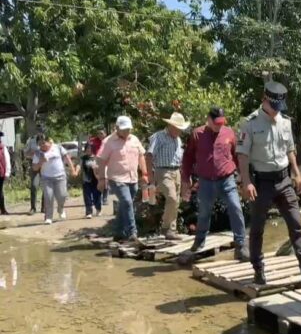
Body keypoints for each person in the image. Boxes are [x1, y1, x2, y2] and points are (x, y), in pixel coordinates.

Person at [236, 81, 301, 285]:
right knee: (257, 229)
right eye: (274, 107)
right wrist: (246, 182)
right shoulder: (250, 123)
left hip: (284, 180)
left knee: (296, 224)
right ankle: (258, 270)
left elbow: (290, 150)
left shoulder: (285, 122)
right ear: (264, 99)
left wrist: (297, 174)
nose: (276, 112)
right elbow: (243, 155)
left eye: (279, 108)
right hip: (261, 182)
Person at [180, 107, 249, 262]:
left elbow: (236, 156)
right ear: (209, 120)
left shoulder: (229, 133)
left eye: (221, 123)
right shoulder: (197, 134)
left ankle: (240, 246)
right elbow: (188, 157)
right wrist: (186, 178)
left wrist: (244, 178)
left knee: (235, 207)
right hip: (205, 182)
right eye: (216, 123)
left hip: (227, 179)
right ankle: (199, 242)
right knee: (204, 213)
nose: (219, 126)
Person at [96, 116, 148, 243]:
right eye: (124, 129)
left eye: (128, 129)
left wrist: (145, 174)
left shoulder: (134, 139)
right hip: (117, 178)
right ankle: (133, 233)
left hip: (133, 178)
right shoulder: (108, 142)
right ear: (117, 128)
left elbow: (141, 155)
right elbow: (101, 160)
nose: (127, 132)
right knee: (127, 202)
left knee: (124, 205)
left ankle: (118, 233)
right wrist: (102, 179)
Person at [146, 112, 189, 240]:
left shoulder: (178, 139)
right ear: (170, 126)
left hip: (176, 172)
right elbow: (148, 156)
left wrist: (185, 174)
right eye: (178, 128)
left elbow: (179, 158)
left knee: (176, 201)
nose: (180, 131)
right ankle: (165, 228)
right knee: (172, 198)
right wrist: (151, 178)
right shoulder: (159, 137)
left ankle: (171, 230)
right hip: (163, 171)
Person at [32, 134, 77, 224]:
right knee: (48, 197)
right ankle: (48, 217)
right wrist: (41, 162)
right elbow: (34, 168)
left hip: (60, 176)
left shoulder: (57, 148)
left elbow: (67, 157)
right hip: (46, 178)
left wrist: (72, 169)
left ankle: (60, 209)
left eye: (44, 143)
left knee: (62, 196)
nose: (42, 146)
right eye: (40, 144)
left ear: (49, 141)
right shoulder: (38, 153)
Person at [24, 124, 45, 215]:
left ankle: (44, 207)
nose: (40, 131)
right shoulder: (31, 140)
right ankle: (33, 208)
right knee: (34, 186)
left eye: (42, 130)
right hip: (34, 165)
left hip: (45, 166)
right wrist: (30, 154)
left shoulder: (47, 140)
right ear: (36, 131)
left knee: (45, 186)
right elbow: (25, 153)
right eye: (39, 130)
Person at [78, 143, 102, 219]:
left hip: (96, 180)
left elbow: (101, 167)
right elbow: (79, 165)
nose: (89, 150)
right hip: (86, 180)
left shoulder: (97, 158)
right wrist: (76, 170)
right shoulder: (83, 158)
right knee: (87, 196)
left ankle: (98, 208)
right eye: (87, 148)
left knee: (96, 196)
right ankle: (89, 212)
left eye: (90, 148)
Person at [90, 127, 109, 205]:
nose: (100, 135)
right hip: (97, 161)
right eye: (98, 134)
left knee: (106, 179)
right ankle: (98, 197)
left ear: (105, 134)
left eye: (101, 133)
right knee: (98, 179)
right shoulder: (94, 141)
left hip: (106, 162)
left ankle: (105, 198)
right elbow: (91, 152)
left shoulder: (108, 141)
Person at [0, 132, 11, 215]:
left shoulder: (3, 148)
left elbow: (7, 160)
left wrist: (7, 172)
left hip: (1, 172)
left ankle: (3, 209)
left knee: (0, 192)